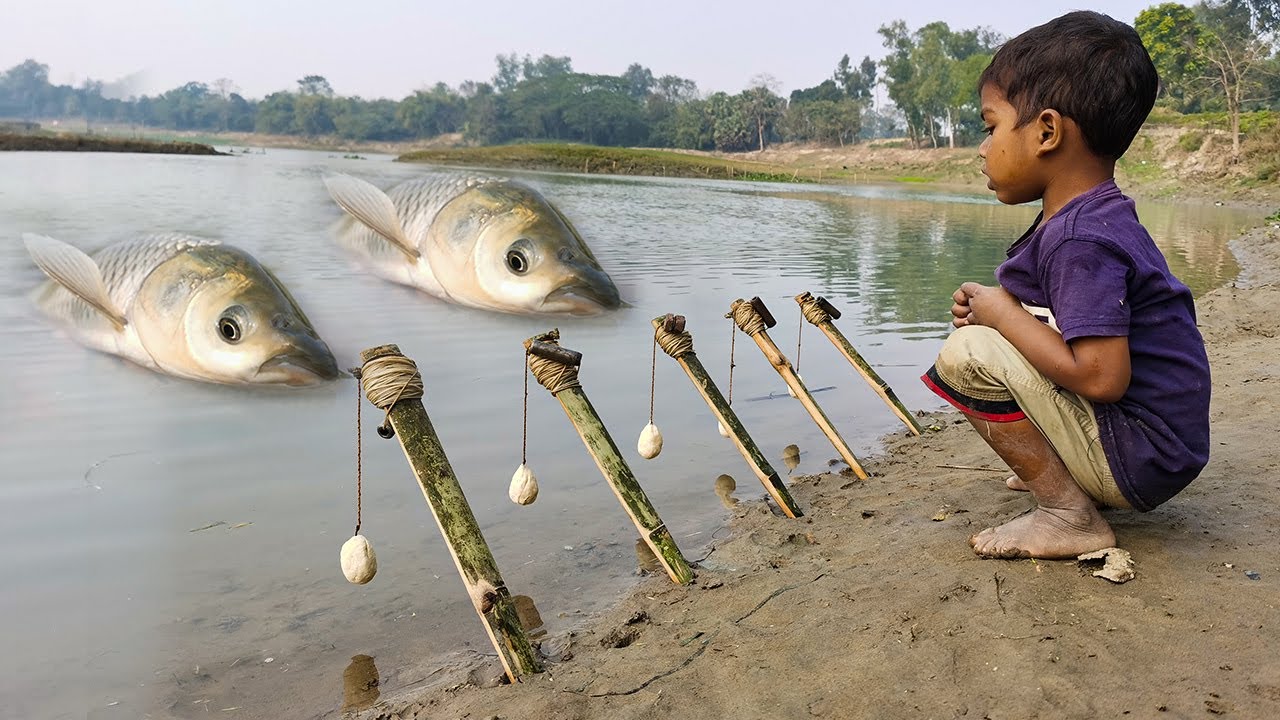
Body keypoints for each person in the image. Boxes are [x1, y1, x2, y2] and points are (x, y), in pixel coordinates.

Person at [920, 10, 1211, 559]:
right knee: (997, 334)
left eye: (990, 127)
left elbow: (1102, 377)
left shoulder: (1080, 239)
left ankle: (1066, 514)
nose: (982, 148)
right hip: (1153, 450)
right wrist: (1002, 310)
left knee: (966, 356)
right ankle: (1067, 472)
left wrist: (1000, 316)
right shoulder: (1094, 217)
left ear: (1047, 132)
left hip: (1142, 456)